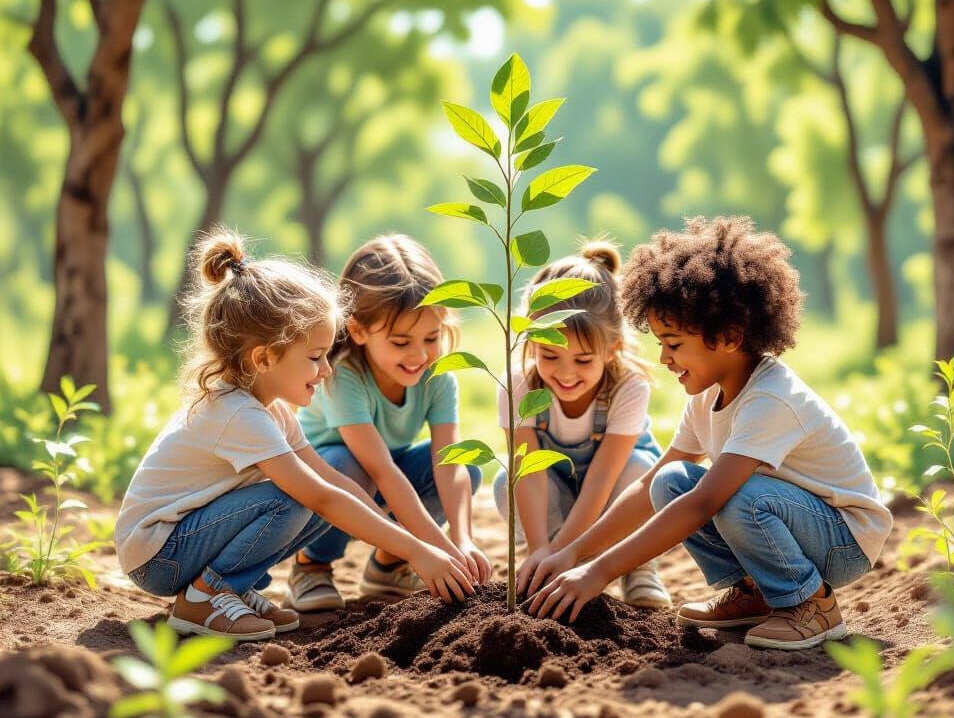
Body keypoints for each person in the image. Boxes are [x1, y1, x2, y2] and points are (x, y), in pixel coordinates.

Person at [526, 217, 893, 651]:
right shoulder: (706, 398)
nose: (662, 357)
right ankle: (757, 592)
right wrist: (574, 553)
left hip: (843, 539)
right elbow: (649, 486)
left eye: (674, 343)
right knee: (671, 481)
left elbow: (705, 503)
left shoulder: (770, 399)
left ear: (729, 336)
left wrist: (598, 572)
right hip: (788, 520)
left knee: (735, 496)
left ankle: (810, 605)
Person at [115, 229, 474, 641]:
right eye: (316, 357)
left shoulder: (274, 411)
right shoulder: (236, 413)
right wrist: (416, 550)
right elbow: (320, 495)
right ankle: (208, 595)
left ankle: (230, 588)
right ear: (265, 358)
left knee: (314, 492)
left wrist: (419, 545)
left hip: (184, 542)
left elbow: (337, 484)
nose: (325, 370)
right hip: (159, 555)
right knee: (297, 496)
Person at [284, 234, 491, 612]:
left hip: (388, 474)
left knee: (467, 466)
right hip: (330, 484)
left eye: (432, 337)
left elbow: (448, 461)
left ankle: (388, 565)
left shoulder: (439, 375)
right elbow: (379, 470)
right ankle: (311, 564)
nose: (420, 355)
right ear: (359, 330)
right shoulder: (342, 376)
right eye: (400, 342)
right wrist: (436, 549)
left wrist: (462, 539)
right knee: (349, 465)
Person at [498, 240, 671, 610]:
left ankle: (636, 564)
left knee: (642, 470)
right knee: (505, 483)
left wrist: (565, 553)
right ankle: (557, 560)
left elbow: (601, 482)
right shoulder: (519, 386)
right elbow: (528, 472)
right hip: (557, 489)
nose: (565, 372)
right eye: (549, 355)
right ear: (529, 341)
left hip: (609, 494)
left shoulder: (628, 387)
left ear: (612, 348)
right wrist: (540, 549)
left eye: (582, 359)